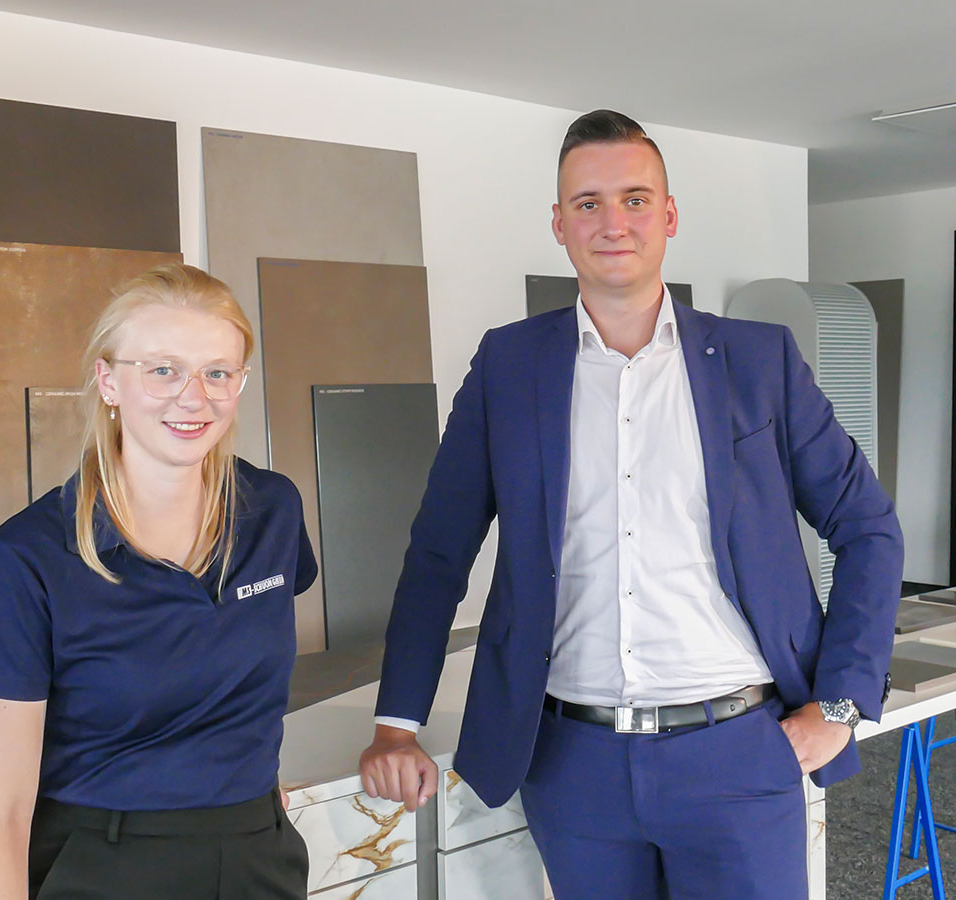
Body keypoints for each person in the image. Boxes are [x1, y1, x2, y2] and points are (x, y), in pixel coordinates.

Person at [358, 110, 903, 899]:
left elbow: (868, 528)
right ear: (558, 223)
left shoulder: (757, 361)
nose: (612, 222)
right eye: (588, 204)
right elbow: (440, 550)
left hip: (739, 750)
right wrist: (396, 721)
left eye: (635, 200)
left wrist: (842, 702)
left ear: (670, 216)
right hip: (572, 761)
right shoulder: (509, 366)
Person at [0, 264, 317, 899]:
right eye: (163, 369)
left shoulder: (273, 510)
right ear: (108, 380)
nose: (193, 397)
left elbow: (235, 684)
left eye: (218, 372)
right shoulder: (27, 558)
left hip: (259, 858)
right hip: (104, 867)